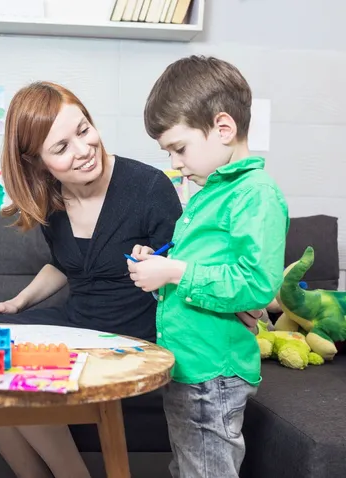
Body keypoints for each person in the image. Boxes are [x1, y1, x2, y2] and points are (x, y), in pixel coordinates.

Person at [0, 81, 184, 478]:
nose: (84, 151)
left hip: (134, 333)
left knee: (17, 369)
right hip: (78, 322)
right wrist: (17, 304)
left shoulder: (150, 187)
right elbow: (66, 264)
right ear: (36, 162)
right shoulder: (50, 196)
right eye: (61, 148)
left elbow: (182, 269)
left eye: (83, 130)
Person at [127, 55, 289, 478]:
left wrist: (176, 272)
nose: (176, 162)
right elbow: (205, 262)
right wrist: (161, 262)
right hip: (189, 364)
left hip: (213, 373)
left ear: (223, 128)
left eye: (179, 148)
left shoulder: (257, 195)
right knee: (188, 466)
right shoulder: (206, 192)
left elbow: (255, 284)